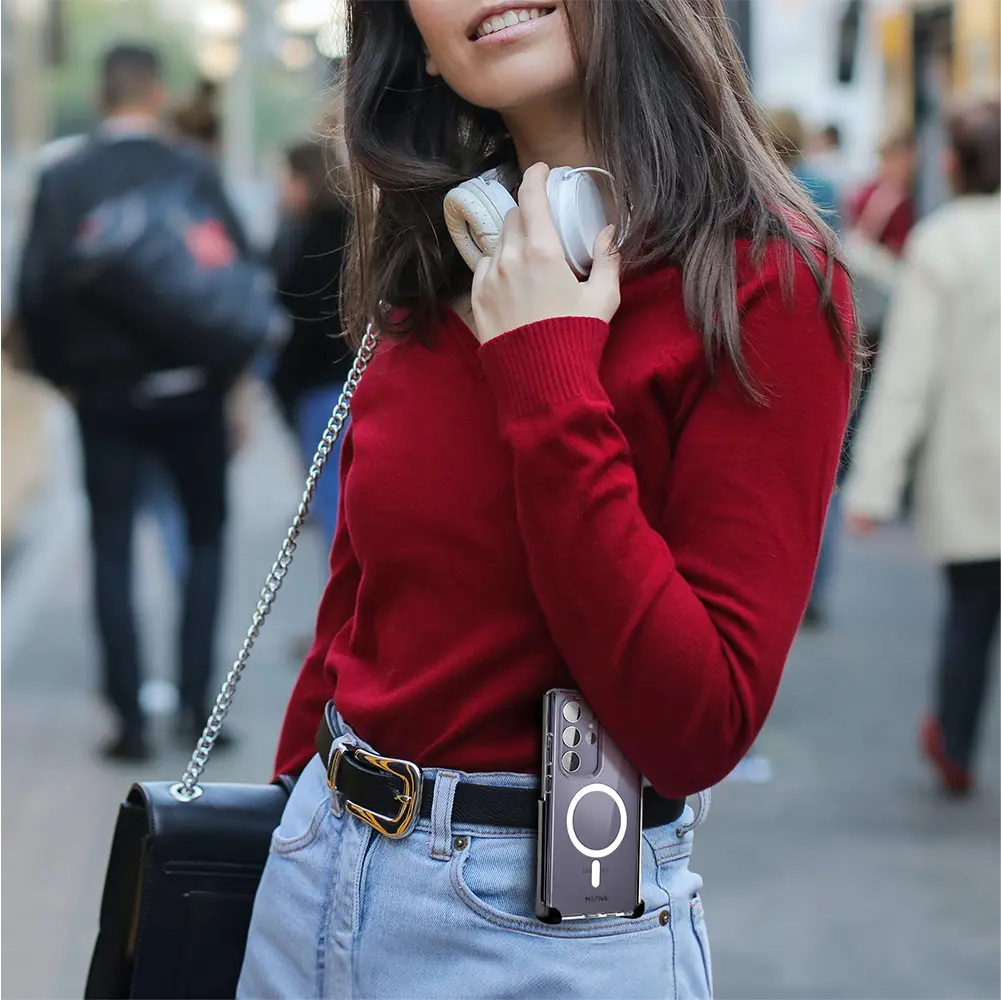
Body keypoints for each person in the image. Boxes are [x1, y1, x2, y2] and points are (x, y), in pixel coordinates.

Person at [238, 2, 856, 997]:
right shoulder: (442, 256)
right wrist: (278, 832)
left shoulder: (759, 277)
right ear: (417, 46)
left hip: (538, 927)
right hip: (311, 878)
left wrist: (548, 373)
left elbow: (696, 727)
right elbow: (354, 619)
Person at [15, 44, 250, 761]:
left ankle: (128, 720)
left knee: (112, 547)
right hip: (194, 391)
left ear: (101, 95)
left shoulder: (65, 179)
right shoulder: (190, 170)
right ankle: (196, 705)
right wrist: (233, 380)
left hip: (106, 396)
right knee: (205, 542)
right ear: (155, 94)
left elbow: (35, 293)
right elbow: (235, 278)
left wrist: (65, 378)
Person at [844, 99, 1001, 797]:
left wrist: (872, 486)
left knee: (969, 615)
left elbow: (906, 375)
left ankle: (956, 745)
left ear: (949, 163)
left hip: (971, 468)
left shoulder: (940, 242)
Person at [268, 140, 354, 551]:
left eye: (288, 179)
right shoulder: (345, 228)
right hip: (337, 381)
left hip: (326, 386)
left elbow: (301, 317)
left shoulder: (318, 240)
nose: (282, 190)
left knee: (335, 514)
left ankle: (340, 615)